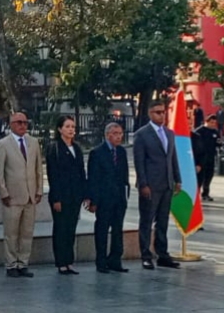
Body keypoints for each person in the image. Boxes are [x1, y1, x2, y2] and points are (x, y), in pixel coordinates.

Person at [0, 111, 43, 278]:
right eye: (19, 122)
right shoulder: (3, 144)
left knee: (27, 232)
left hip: (30, 196)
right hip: (12, 197)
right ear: (11, 124)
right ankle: (11, 264)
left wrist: (39, 190)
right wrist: (3, 193)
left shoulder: (33, 143)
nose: (23, 125)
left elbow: (38, 169)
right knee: (11, 233)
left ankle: (23, 263)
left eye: (25, 122)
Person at [133, 99, 182, 270]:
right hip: (150, 185)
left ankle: (163, 254)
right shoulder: (142, 134)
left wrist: (178, 179)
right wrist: (143, 184)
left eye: (163, 112)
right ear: (150, 113)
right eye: (157, 112)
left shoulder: (169, 133)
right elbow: (139, 162)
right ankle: (146, 255)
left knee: (162, 221)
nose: (162, 115)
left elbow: (172, 157)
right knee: (146, 221)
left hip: (167, 184)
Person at [45, 115, 89, 275]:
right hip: (61, 196)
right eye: (67, 126)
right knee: (61, 229)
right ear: (59, 129)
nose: (71, 130)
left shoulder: (76, 148)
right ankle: (61, 262)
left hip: (75, 195)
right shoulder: (54, 147)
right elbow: (53, 174)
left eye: (73, 127)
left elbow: (81, 172)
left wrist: (85, 193)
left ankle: (69, 261)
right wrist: (56, 198)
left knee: (71, 229)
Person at [87, 122, 130, 274]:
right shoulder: (97, 153)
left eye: (120, 133)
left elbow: (124, 175)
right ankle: (101, 261)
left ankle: (115, 260)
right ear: (108, 135)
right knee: (102, 230)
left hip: (119, 198)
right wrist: (93, 200)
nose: (119, 137)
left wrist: (126, 194)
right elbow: (93, 178)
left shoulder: (122, 152)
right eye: (116, 133)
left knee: (118, 230)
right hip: (104, 199)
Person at [194, 114, 220, 202]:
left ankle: (205, 193)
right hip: (201, 158)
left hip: (211, 157)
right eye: (211, 122)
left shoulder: (215, 132)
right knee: (199, 177)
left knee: (209, 175)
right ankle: (195, 193)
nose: (213, 124)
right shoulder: (199, 131)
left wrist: (220, 144)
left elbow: (218, 142)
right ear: (206, 122)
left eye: (214, 123)